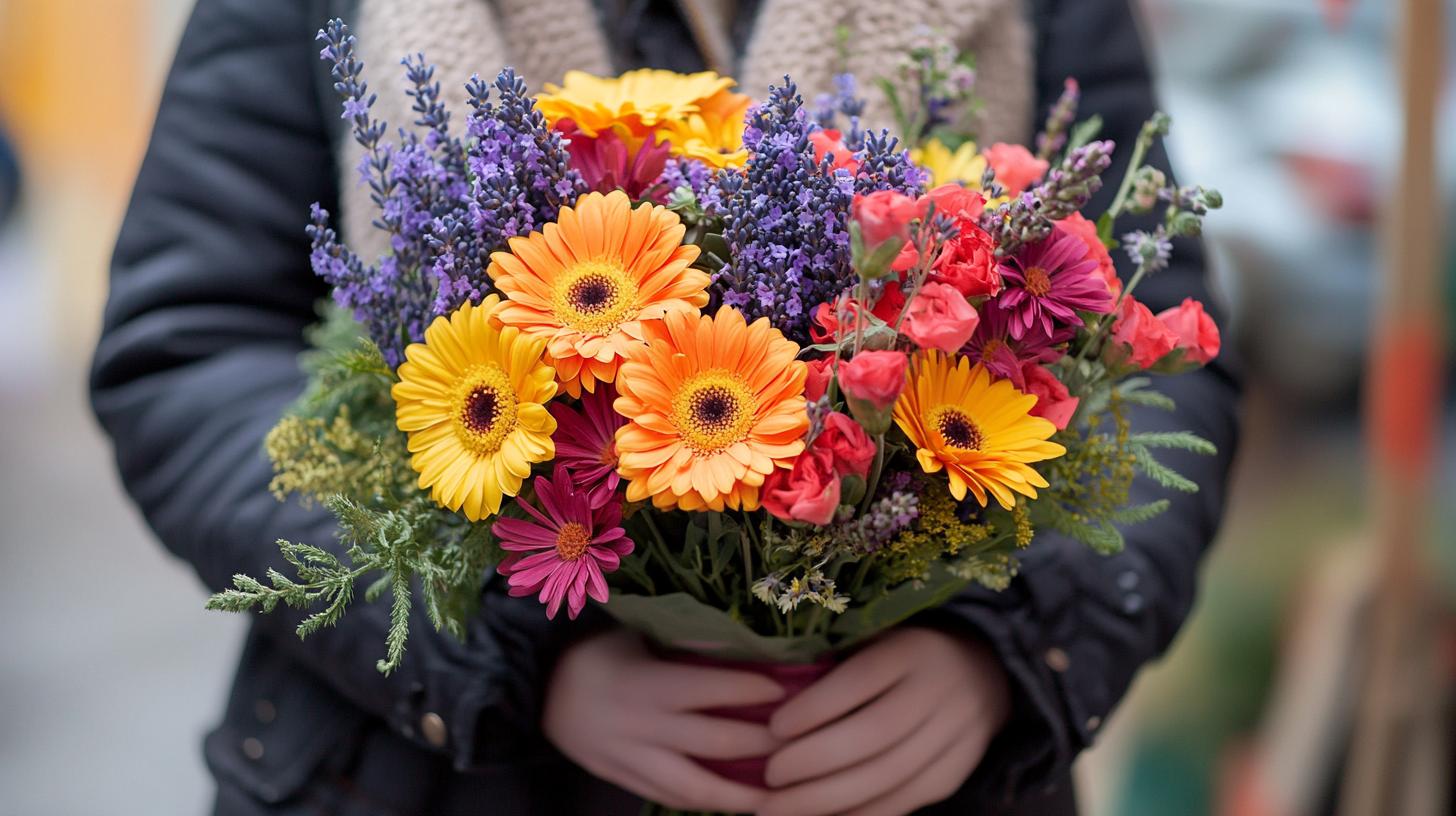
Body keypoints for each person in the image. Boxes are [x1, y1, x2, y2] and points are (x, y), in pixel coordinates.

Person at [89, 0, 1241, 813]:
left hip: (911, 778)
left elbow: (1149, 340)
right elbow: (189, 350)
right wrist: (505, 660)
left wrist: (1010, 654)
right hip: (433, 777)